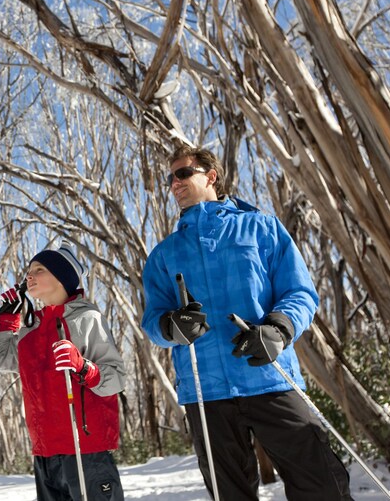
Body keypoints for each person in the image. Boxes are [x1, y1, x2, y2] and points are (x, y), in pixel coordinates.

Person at [141, 146, 352, 500]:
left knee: (322, 485)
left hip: (269, 376)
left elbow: (299, 292)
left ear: (211, 176)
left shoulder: (261, 228)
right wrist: (170, 327)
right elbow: (153, 319)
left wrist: (278, 330)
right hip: (205, 391)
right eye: (170, 178)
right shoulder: (164, 254)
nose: (174, 184)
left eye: (182, 174)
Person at [0, 244, 126, 501]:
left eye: (39, 269)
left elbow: (116, 378)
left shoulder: (87, 318)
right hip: (45, 452)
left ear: (63, 278)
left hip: (85, 449)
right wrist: (8, 321)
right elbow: (6, 362)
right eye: (29, 271)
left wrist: (83, 367)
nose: (29, 276)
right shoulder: (31, 328)